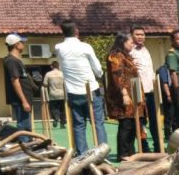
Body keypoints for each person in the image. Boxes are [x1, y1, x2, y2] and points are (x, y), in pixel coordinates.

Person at [54, 20, 106, 154]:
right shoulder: (85, 46)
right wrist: (100, 74)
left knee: (78, 124)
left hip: (73, 91)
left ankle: (82, 153)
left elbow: (60, 65)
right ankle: (102, 150)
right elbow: (97, 68)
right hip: (91, 89)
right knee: (97, 122)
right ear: (76, 31)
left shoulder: (59, 47)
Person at [105, 33, 144, 159]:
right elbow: (117, 76)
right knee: (126, 124)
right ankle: (123, 153)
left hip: (133, 94)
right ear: (122, 42)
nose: (133, 44)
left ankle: (130, 151)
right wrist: (124, 94)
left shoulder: (126, 56)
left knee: (132, 123)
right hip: (122, 95)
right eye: (130, 42)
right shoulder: (116, 56)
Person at [129, 27, 160, 152]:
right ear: (132, 36)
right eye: (137, 34)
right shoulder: (130, 52)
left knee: (155, 120)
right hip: (138, 92)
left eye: (142, 34)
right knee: (140, 121)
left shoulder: (146, 50)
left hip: (151, 91)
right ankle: (144, 147)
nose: (140, 37)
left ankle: (158, 146)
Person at [2, 33, 33, 135]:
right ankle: (25, 148)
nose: (24, 45)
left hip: (24, 99)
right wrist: (24, 101)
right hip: (20, 100)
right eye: (22, 42)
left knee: (26, 127)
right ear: (16, 45)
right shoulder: (11, 61)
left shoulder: (15, 60)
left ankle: (27, 145)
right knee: (24, 127)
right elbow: (15, 81)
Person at [165, 30, 179, 131]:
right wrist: (178, 90)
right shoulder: (172, 54)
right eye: (178, 39)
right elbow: (173, 73)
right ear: (172, 40)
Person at [42, 61, 66, 129]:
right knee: (62, 109)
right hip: (62, 94)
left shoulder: (48, 74)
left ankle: (55, 119)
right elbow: (65, 83)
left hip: (53, 94)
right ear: (58, 66)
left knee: (53, 108)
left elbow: (45, 84)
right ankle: (63, 124)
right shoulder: (62, 74)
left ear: (52, 66)